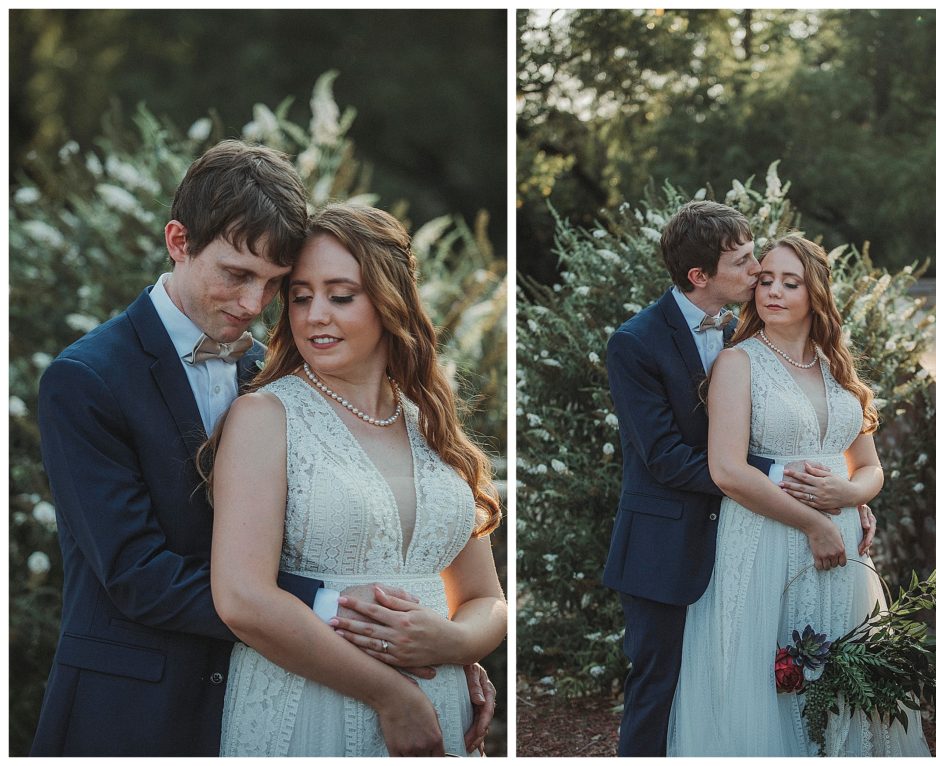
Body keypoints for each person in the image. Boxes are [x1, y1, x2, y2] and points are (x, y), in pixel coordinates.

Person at [31, 140, 495, 757]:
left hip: (273, 685)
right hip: (137, 702)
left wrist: (445, 645)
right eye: (237, 275)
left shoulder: (272, 373)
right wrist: (341, 610)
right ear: (179, 242)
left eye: (276, 284)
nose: (255, 305)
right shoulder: (87, 379)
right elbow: (137, 574)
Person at [208, 203, 507, 756]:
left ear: (390, 301)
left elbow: (485, 597)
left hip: (439, 710)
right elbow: (243, 599)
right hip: (307, 705)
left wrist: (454, 640)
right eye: (300, 296)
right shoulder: (266, 417)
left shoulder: (432, 424)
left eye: (340, 295)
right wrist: (394, 697)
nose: (315, 314)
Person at [603, 201, 869, 757]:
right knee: (660, 689)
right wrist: (785, 477)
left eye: (763, 265)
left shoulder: (749, 331)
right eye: (747, 264)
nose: (757, 275)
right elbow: (667, 458)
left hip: (758, 532)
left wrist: (847, 493)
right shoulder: (636, 343)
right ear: (701, 276)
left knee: (776, 679)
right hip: (667, 544)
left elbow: (789, 418)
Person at [666, 234, 929, 756]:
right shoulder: (737, 364)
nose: (774, 292)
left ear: (816, 294)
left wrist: (849, 493)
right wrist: (815, 522)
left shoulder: (838, 367)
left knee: (841, 676)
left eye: (791, 282)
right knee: (773, 675)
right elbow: (727, 471)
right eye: (765, 280)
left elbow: (871, 468)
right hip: (767, 539)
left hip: (845, 552)